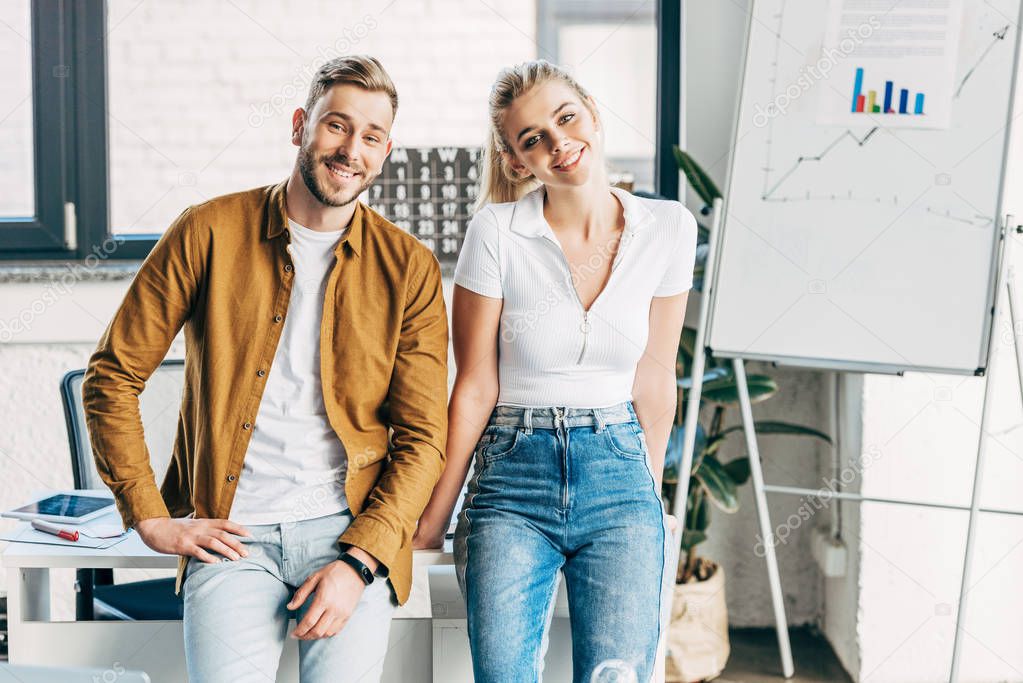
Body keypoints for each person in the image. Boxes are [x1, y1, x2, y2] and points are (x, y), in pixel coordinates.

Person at [83, 55, 448, 683]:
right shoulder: (208, 231)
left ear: (386, 151)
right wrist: (148, 515)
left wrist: (360, 562)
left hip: (348, 533)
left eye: (371, 137)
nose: (350, 150)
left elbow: (424, 438)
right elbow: (113, 376)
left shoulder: (409, 268)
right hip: (231, 534)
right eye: (336, 126)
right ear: (301, 125)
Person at [413, 59, 697, 683]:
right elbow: (475, 387)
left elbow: (655, 378)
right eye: (532, 138)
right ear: (518, 162)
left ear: (592, 114)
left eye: (566, 118)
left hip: (620, 471)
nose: (558, 143)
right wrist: (433, 521)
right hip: (512, 480)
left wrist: (645, 495)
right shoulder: (496, 232)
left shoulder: (668, 228)